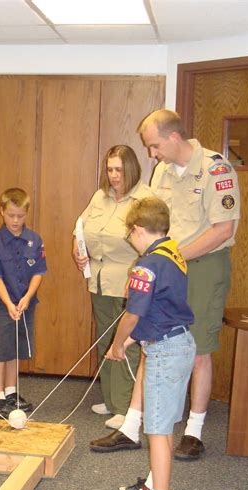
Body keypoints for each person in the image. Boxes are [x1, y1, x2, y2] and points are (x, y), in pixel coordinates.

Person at [94, 109, 240, 459]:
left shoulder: (216, 170)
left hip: (203, 266)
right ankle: (131, 426)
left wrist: (171, 258)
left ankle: (193, 431)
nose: (151, 154)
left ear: (174, 138)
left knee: (200, 348)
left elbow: (224, 230)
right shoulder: (161, 171)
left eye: (154, 145)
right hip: (167, 267)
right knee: (150, 340)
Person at [107, 197, 196, 490]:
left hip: (165, 352)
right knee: (165, 423)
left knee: (157, 430)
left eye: (130, 233)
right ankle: (151, 485)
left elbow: (133, 313)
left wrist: (118, 343)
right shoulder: (173, 253)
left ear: (138, 230)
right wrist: (129, 340)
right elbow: (160, 309)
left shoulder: (146, 265)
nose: (130, 239)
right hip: (178, 342)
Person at [72, 145, 150, 432]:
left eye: (119, 169)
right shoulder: (100, 196)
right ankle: (109, 397)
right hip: (100, 278)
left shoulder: (145, 199)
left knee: (125, 345)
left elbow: (152, 243)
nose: (114, 175)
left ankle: (125, 407)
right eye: (110, 169)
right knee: (105, 340)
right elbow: (80, 228)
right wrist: (77, 250)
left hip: (128, 281)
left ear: (131, 169)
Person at [0, 188, 47, 418]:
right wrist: (9, 303)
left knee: (15, 348)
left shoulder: (35, 240)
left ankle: (11, 392)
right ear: (2, 212)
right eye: (11, 215)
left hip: (25, 304)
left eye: (20, 216)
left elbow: (39, 272)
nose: (16, 221)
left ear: (27, 213)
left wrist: (27, 297)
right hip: (2, 305)